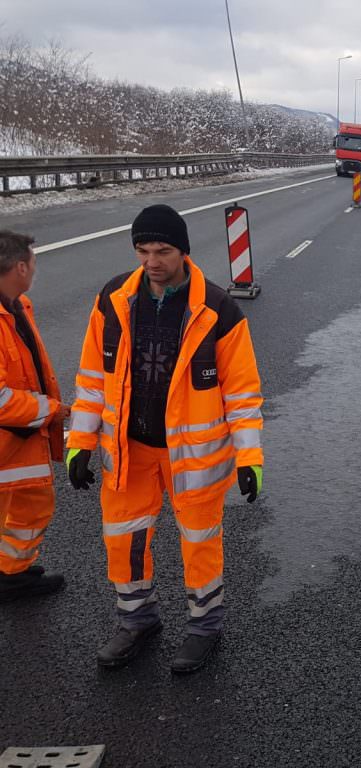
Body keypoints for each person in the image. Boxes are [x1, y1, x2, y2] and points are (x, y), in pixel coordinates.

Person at [66, 204, 264, 673]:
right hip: (128, 450)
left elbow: (241, 393)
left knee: (198, 541)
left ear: (184, 250)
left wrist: (249, 457)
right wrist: (80, 441)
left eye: (163, 250)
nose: (152, 261)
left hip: (192, 458)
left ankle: (204, 626)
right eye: (142, 250)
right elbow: (93, 376)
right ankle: (136, 619)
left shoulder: (219, 310)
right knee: (125, 538)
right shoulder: (113, 300)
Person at [0, 231, 70, 602]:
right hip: (12, 436)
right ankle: (11, 576)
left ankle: (13, 571)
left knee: (29, 505)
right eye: (34, 262)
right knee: (23, 509)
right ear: (21, 266)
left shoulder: (16, 305)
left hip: (18, 440)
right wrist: (52, 412)